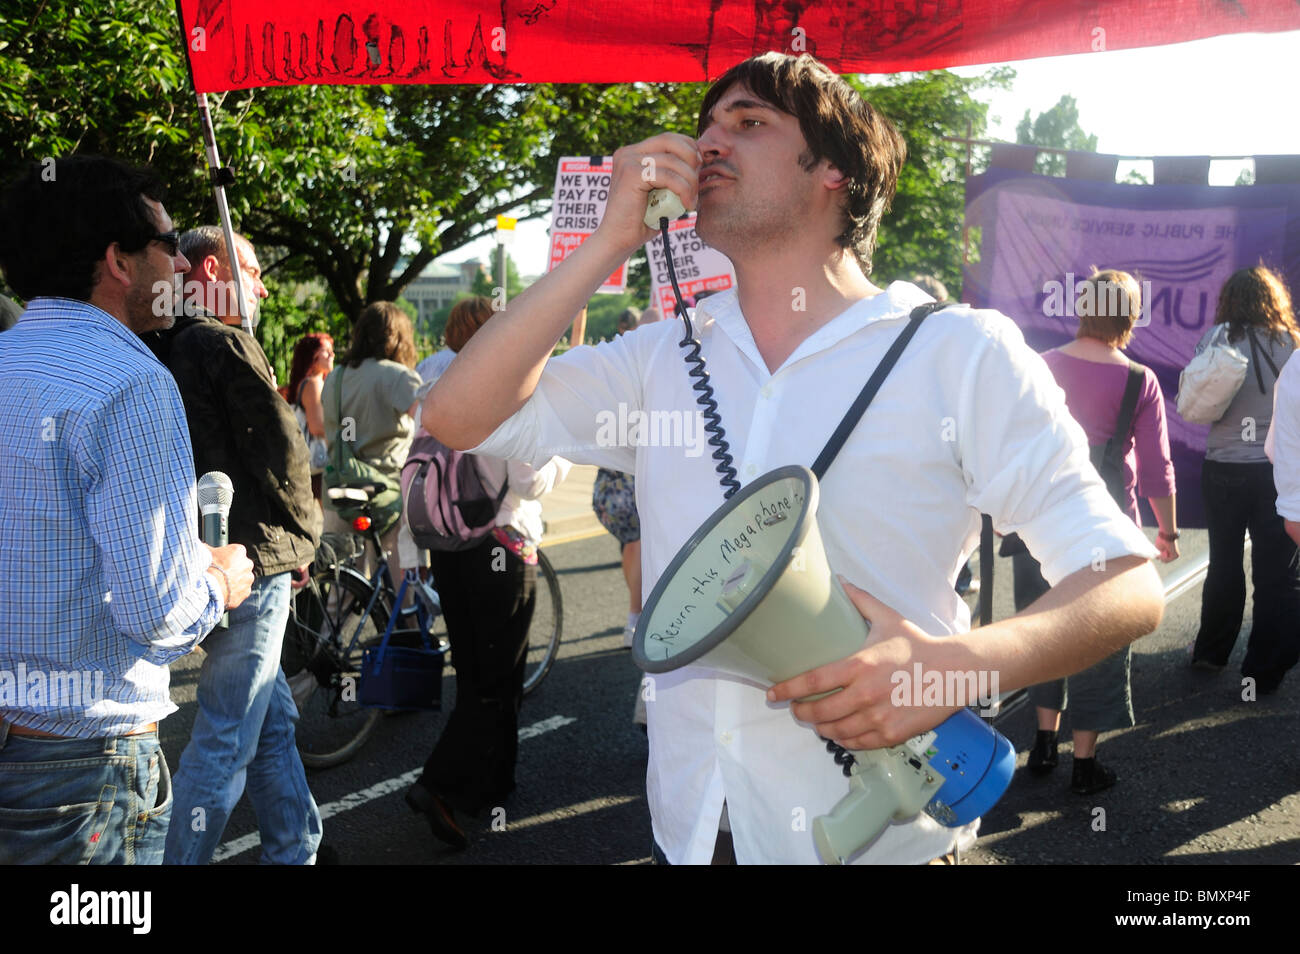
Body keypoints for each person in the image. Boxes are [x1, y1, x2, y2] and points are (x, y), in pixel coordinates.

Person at [422, 53, 1164, 865]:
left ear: (836, 172)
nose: (707, 145)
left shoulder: (958, 353)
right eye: (705, 127)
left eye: (749, 124)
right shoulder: (662, 357)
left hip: (892, 846)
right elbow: (458, 414)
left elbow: (1125, 583)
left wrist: (951, 669)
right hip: (696, 831)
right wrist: (609, 241)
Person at [0, 156, 254, 865]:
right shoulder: (132, 383)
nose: (183, 263)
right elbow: (157, 613)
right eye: (170, 245)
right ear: (118, 261)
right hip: (83, 767)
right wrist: (220, 583)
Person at [146, 225, 322, 865]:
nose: (264, 285)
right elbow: (284, 453)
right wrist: (301, 544)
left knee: (268, 725)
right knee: (226, 736)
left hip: (194, 556)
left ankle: (296, 848)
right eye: (252, 270)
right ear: (213, 269)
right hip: (252, 561)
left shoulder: (152, 346)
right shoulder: (223, 343)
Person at [405, 296, 570, 848]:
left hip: (449, 548)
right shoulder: (506, 387)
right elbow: (530, 481)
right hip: (501, 546)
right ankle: (440, 783)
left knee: (476, 672)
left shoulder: (436, 386)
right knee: (499, 682)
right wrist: (563, 448)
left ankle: (494, 783)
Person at [1008, 269, 1179, 794]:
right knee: (1099, 639)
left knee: (1042, 630)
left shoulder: (1039, 366)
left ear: (1083, 310)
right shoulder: (1138, 381)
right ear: (1129, 318)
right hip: (1105, 531)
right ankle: (1084, 762)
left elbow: (1012, 447)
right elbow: (1156, 469)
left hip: (1040, 523)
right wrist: (1167, 532)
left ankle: (1041, 744)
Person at [1189, 266, 1300, 694]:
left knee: (1224, 562)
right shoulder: (1291, 343)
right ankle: (1261, 670)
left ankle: (1211, 653)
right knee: (1275, 574)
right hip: (1277, 471)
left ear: (1229, 300)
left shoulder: (1218, 338)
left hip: (1223, 469)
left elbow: (1198, 398)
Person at [322, 301, 423, 585]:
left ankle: (331, 632)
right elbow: (429, 425)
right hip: (385, 494)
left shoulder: (335, 378)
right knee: (401, 588)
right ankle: (405, 630)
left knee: (343, 587)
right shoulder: (398, 377)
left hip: (339, 492)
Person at [284, 332, 335, 501]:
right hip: (319, 465)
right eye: (326, 351)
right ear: (312, 356)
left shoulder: (308, 382)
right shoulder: (313, 383)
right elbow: (317, 425)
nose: (332, 354)